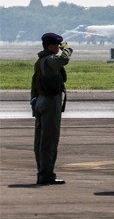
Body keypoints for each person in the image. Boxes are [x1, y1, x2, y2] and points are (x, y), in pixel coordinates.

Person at [31, 32, 72, 185]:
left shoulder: (40, 60)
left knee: (40, 140)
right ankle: (46, 175)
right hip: (50, 101)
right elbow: (64, 60)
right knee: (49, 140)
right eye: (57, 45)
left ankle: (43, 172)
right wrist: (68, 49)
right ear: (50, 46)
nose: (59, 48)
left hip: (40, 100)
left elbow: (34, 83)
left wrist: (33, 101)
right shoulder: (50, 60)